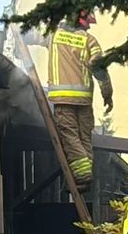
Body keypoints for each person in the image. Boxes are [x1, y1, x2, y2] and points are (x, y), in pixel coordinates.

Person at [46, 11, 113, 194]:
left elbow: (29, 33)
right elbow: (100, 69)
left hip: (63, 99)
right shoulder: (90, 41)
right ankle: (84, 181)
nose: (89, 27)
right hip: (84, 100)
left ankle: (82, 177)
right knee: (84, 139)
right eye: (87, 24)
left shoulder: (54, 35)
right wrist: (108, 93)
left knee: (70, 137)